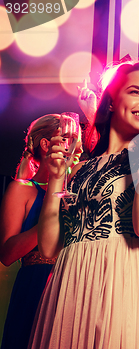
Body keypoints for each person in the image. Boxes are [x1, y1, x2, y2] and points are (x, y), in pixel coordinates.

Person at [28, 61, 139, 349]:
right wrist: (56, 179)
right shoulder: (79, 169)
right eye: (136, 92)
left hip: (129, 279)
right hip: (73, 284)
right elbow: (49, 248)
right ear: (112, 101)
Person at [0, 114, 66, 349]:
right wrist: (52, 221)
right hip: (37, 284)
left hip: (74, 279)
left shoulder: (80, 189)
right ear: (46, 144)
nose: (75, 146)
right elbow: (7, 255)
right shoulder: (22, 189)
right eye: (67, 139)